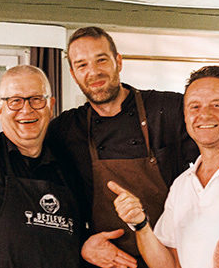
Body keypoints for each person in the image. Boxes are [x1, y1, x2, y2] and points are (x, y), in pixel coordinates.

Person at [46, 26, 199, 267]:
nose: (93, 72)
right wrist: (83, 243)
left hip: (175, 257)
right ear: (73, 73)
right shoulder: (65, 130)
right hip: (110, 262)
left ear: (118, 61)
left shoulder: (167, 109)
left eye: (101, 60)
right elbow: (45, 205)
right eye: (82, 65)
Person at [108, 65, 219, 268]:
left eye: (216, 105)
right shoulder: (182, 185)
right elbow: (168, 265)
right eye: (195, 106)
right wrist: (140, 224)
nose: (204, 115)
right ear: (185, 116)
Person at [0, 65, 84, 267]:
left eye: (36, 99)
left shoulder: (70, 166)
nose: (26, 110)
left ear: (51, 105)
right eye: (15, 101)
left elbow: (80, 236)